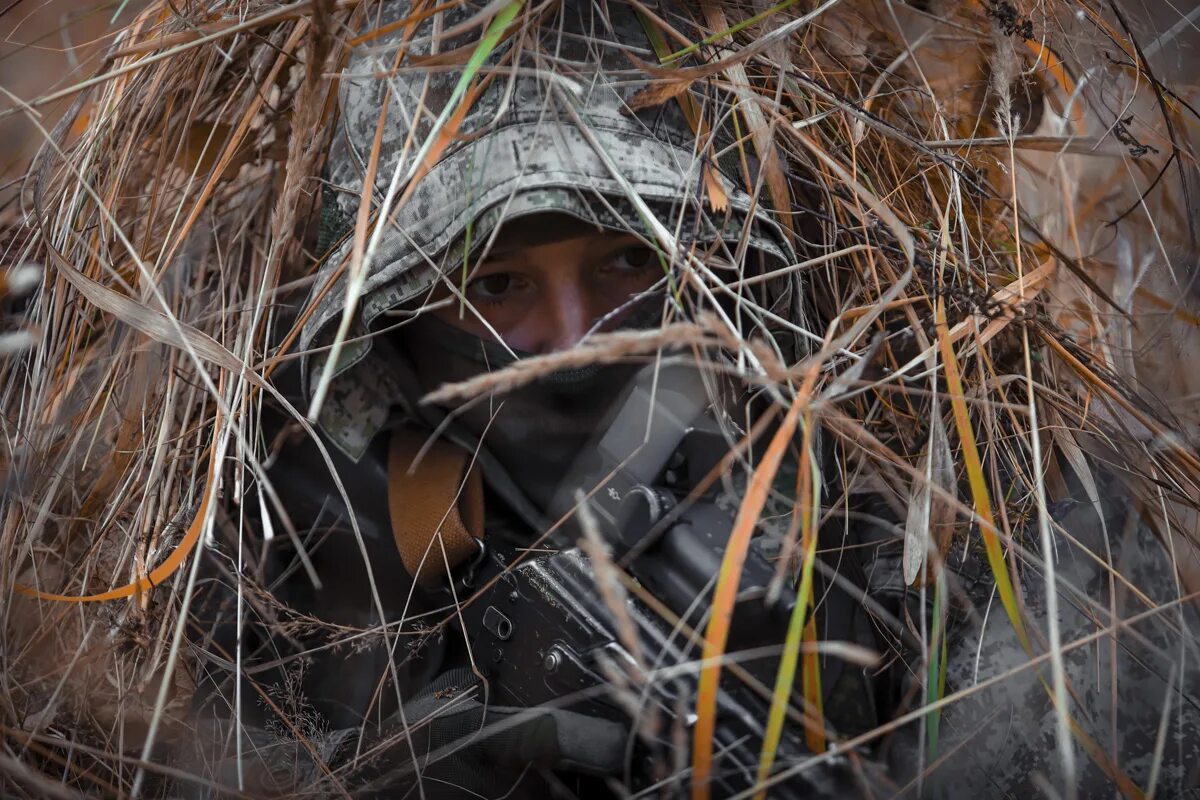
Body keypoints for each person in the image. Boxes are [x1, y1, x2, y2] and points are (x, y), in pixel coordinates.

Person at [187, 1, 1200, 798]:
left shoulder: (937, 480)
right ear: (392, 312)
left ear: (730, 259)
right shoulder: (264, 510)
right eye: (494, 282)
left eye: (633, 259)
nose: (578, 337)